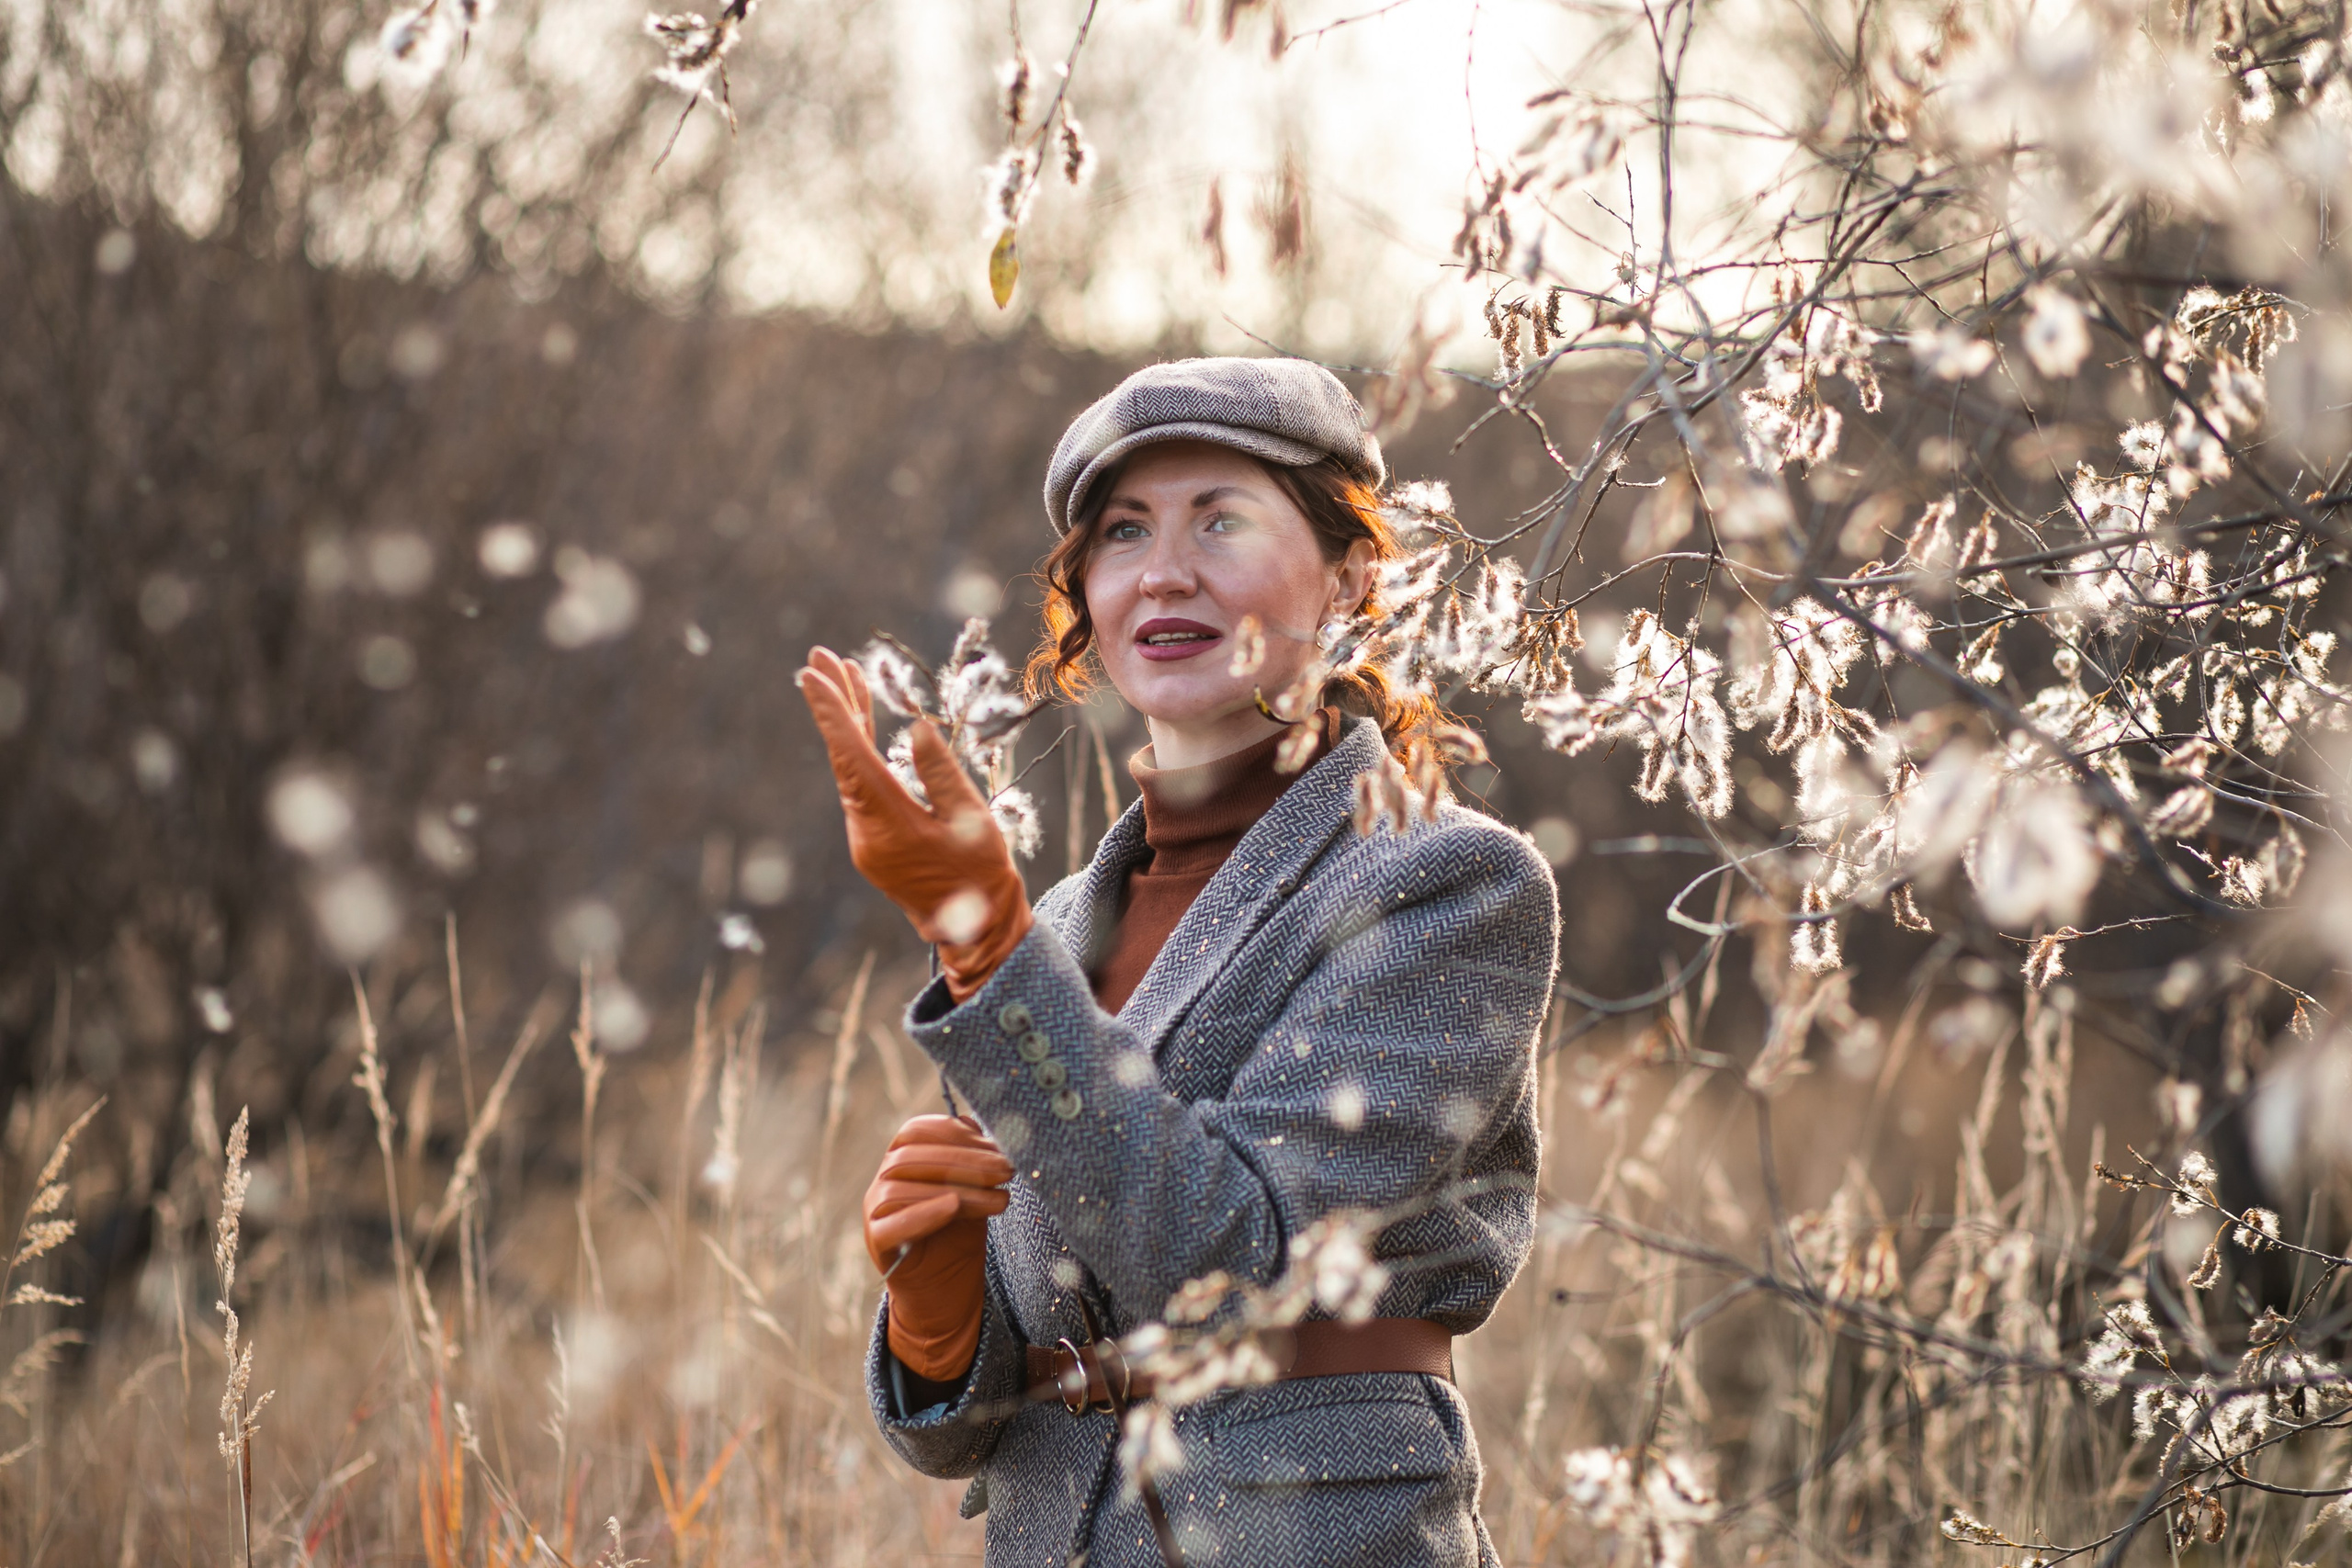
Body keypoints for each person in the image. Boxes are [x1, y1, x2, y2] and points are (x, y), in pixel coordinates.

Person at [797, 356, 1560, 1568]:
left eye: (1225, 520)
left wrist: (985, 953)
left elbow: (1233, 1271)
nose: (1165, 570)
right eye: (1123, 532)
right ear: (1086, 596)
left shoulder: (1444, 882)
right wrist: (937, 1319)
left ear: (1354, 575)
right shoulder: (1052, 929)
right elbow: (978, 1429)